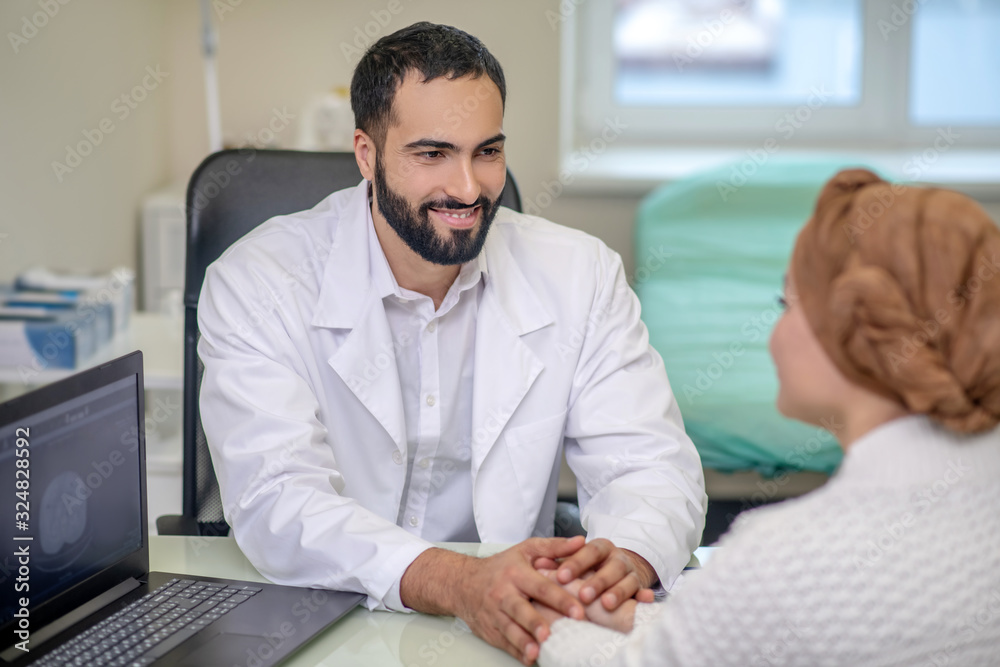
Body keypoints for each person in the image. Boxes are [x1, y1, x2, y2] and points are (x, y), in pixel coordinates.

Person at [196, 21, 707, 665]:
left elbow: (650, 465)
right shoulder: (258, 282)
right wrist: (461, 583)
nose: (467, 189)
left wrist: (618, 566)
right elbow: (277, 499)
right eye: (432, 154)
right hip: (326, 618)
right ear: (366, 153)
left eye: (487, 152)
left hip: (516, 627)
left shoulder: (580, 273)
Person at [535, 169, 1000, 666]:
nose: (773, 332)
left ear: (851, 329)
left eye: (785, 303)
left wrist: (545, 615)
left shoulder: (783, 562)